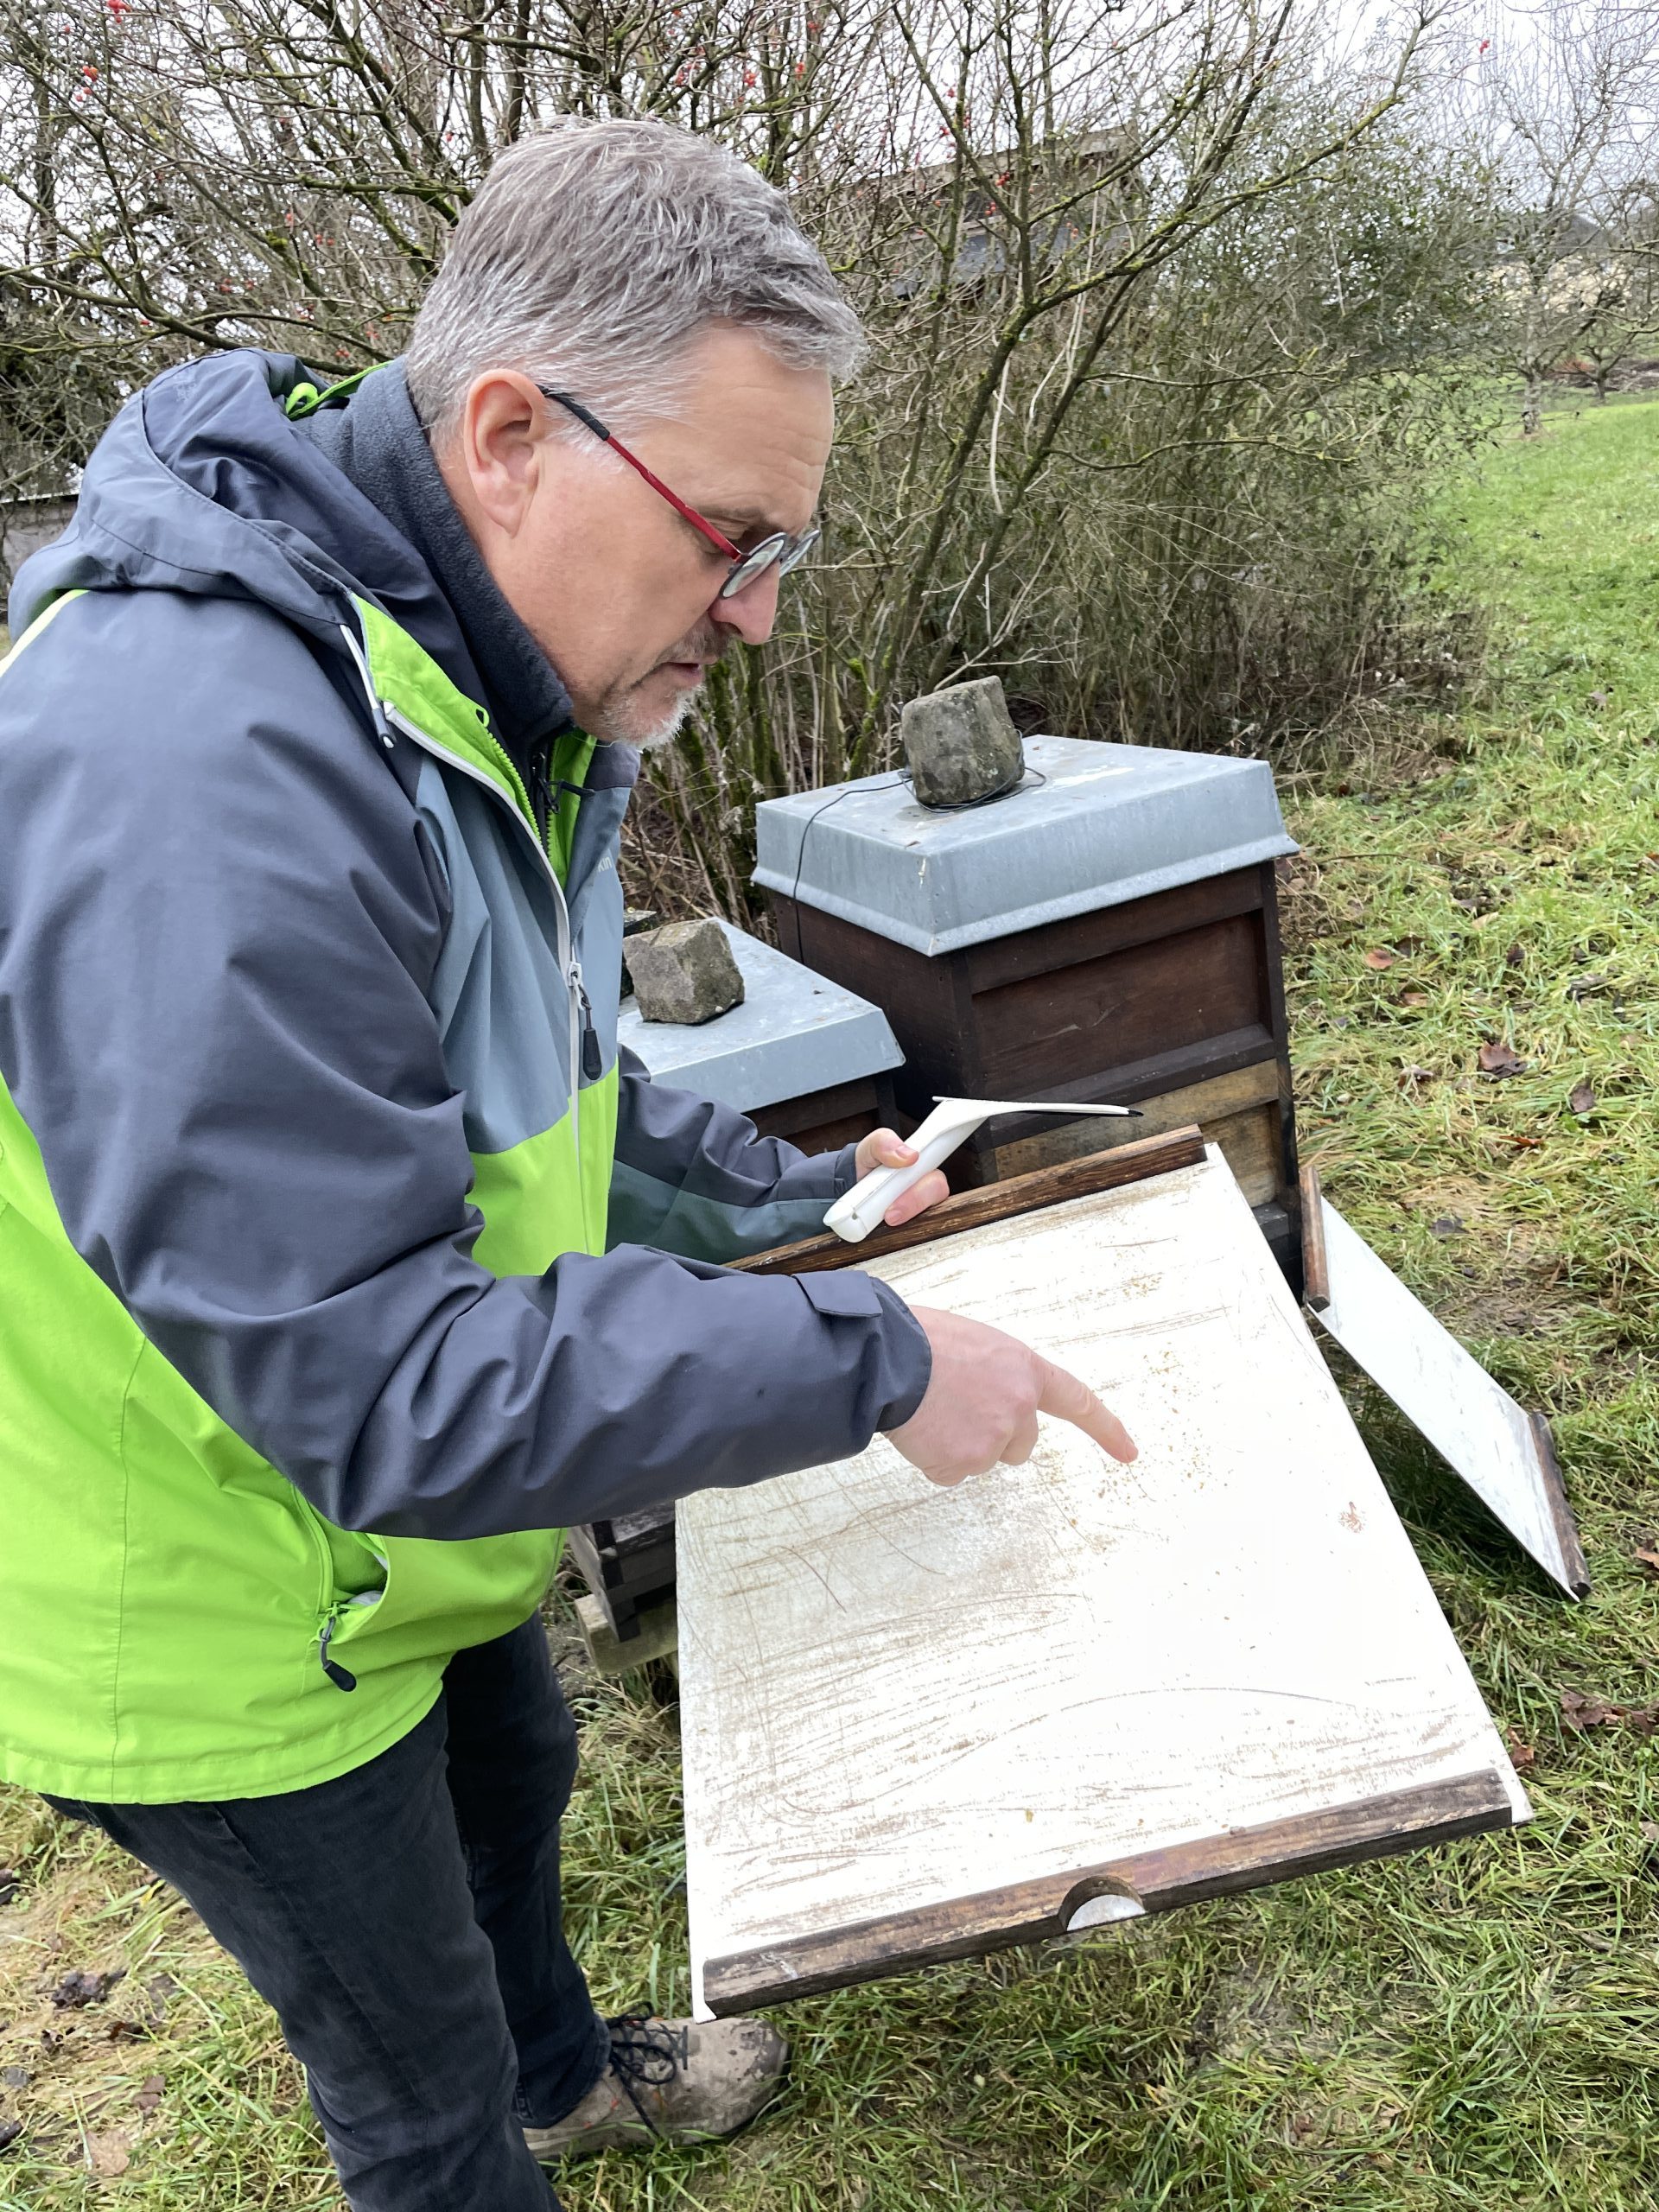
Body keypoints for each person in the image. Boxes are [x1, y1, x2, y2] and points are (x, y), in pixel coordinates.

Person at [0, 117, 1135, 2212]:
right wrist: (865, 1359)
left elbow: (530, 1106)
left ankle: (573, 2074)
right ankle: (493, 2113)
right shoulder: (197, 761)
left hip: (381, 1534)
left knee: (514, 1762)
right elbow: (373, 1378)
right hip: (214, 1596)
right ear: (512, 432)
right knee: (410, 2085)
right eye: (732, 535)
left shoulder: (482, 674)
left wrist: (788, 1197)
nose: (766, 612)